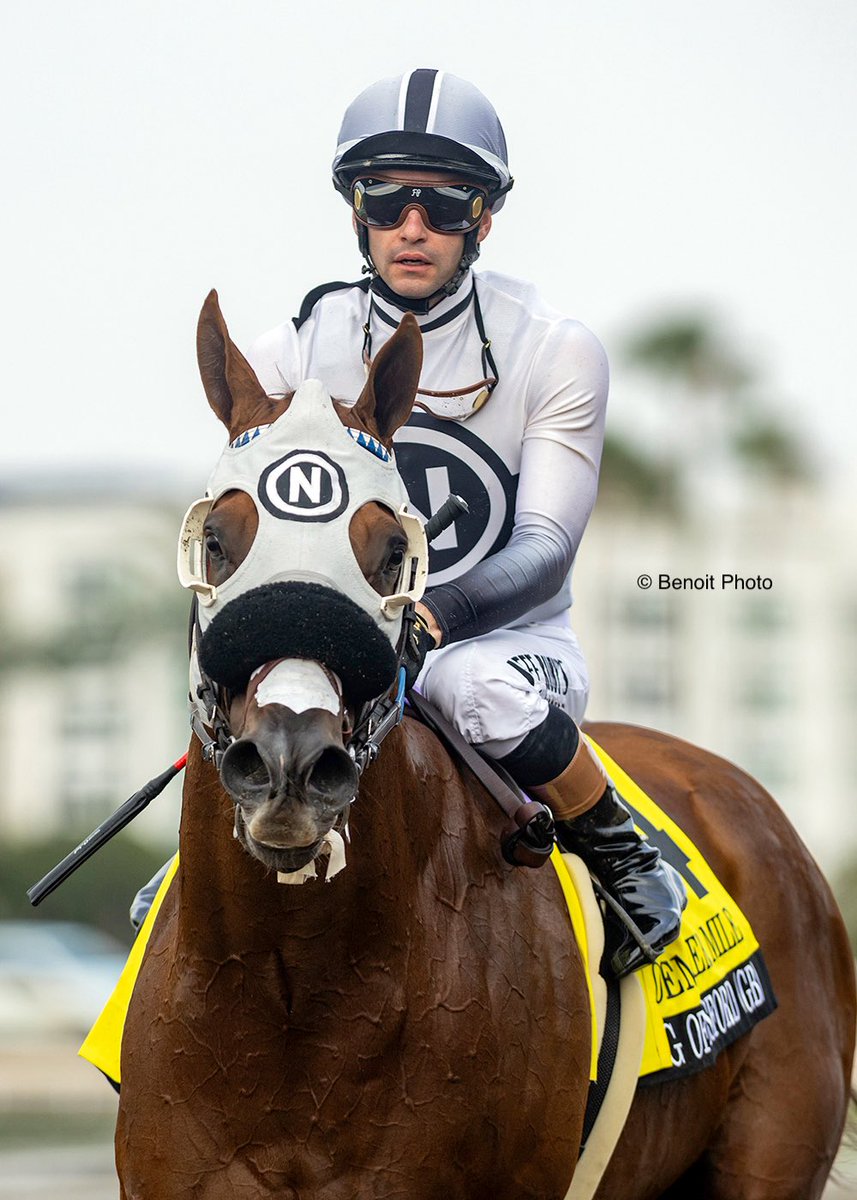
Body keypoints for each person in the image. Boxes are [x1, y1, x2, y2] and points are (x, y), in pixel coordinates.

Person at [243, 68, 686, 977]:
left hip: (512, 648)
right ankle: (200, 855)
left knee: (463, 684)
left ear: (483, 220)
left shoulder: (554, 349)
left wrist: (434, 616)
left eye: (443, 204)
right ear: (356, 211)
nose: (413, 226)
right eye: (388, 199)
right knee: (252, 678)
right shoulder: (296, 348)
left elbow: (545, 548)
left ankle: (620, 846)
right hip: (348, 639)